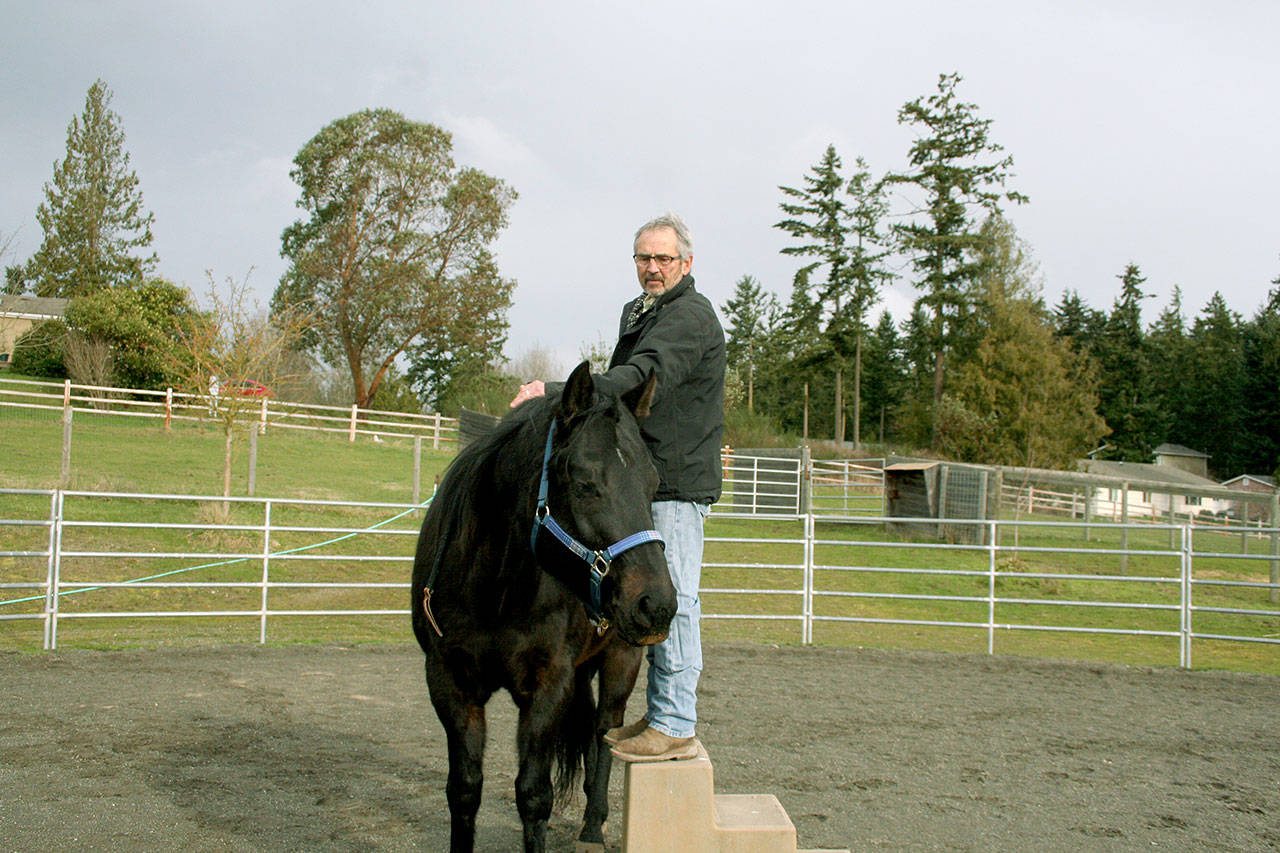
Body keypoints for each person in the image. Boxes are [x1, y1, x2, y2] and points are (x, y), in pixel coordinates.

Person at [510, 212, 725, 762]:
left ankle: (675, 722)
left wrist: (556, 391)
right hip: (640, 478)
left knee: (675, 598)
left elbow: (635, 378)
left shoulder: (689, 317)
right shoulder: (642, 312)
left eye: (664, 259)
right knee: (637, 591)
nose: (653, 268)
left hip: (673, 481)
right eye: (644, 259)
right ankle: (660, 716)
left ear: (687, 263)